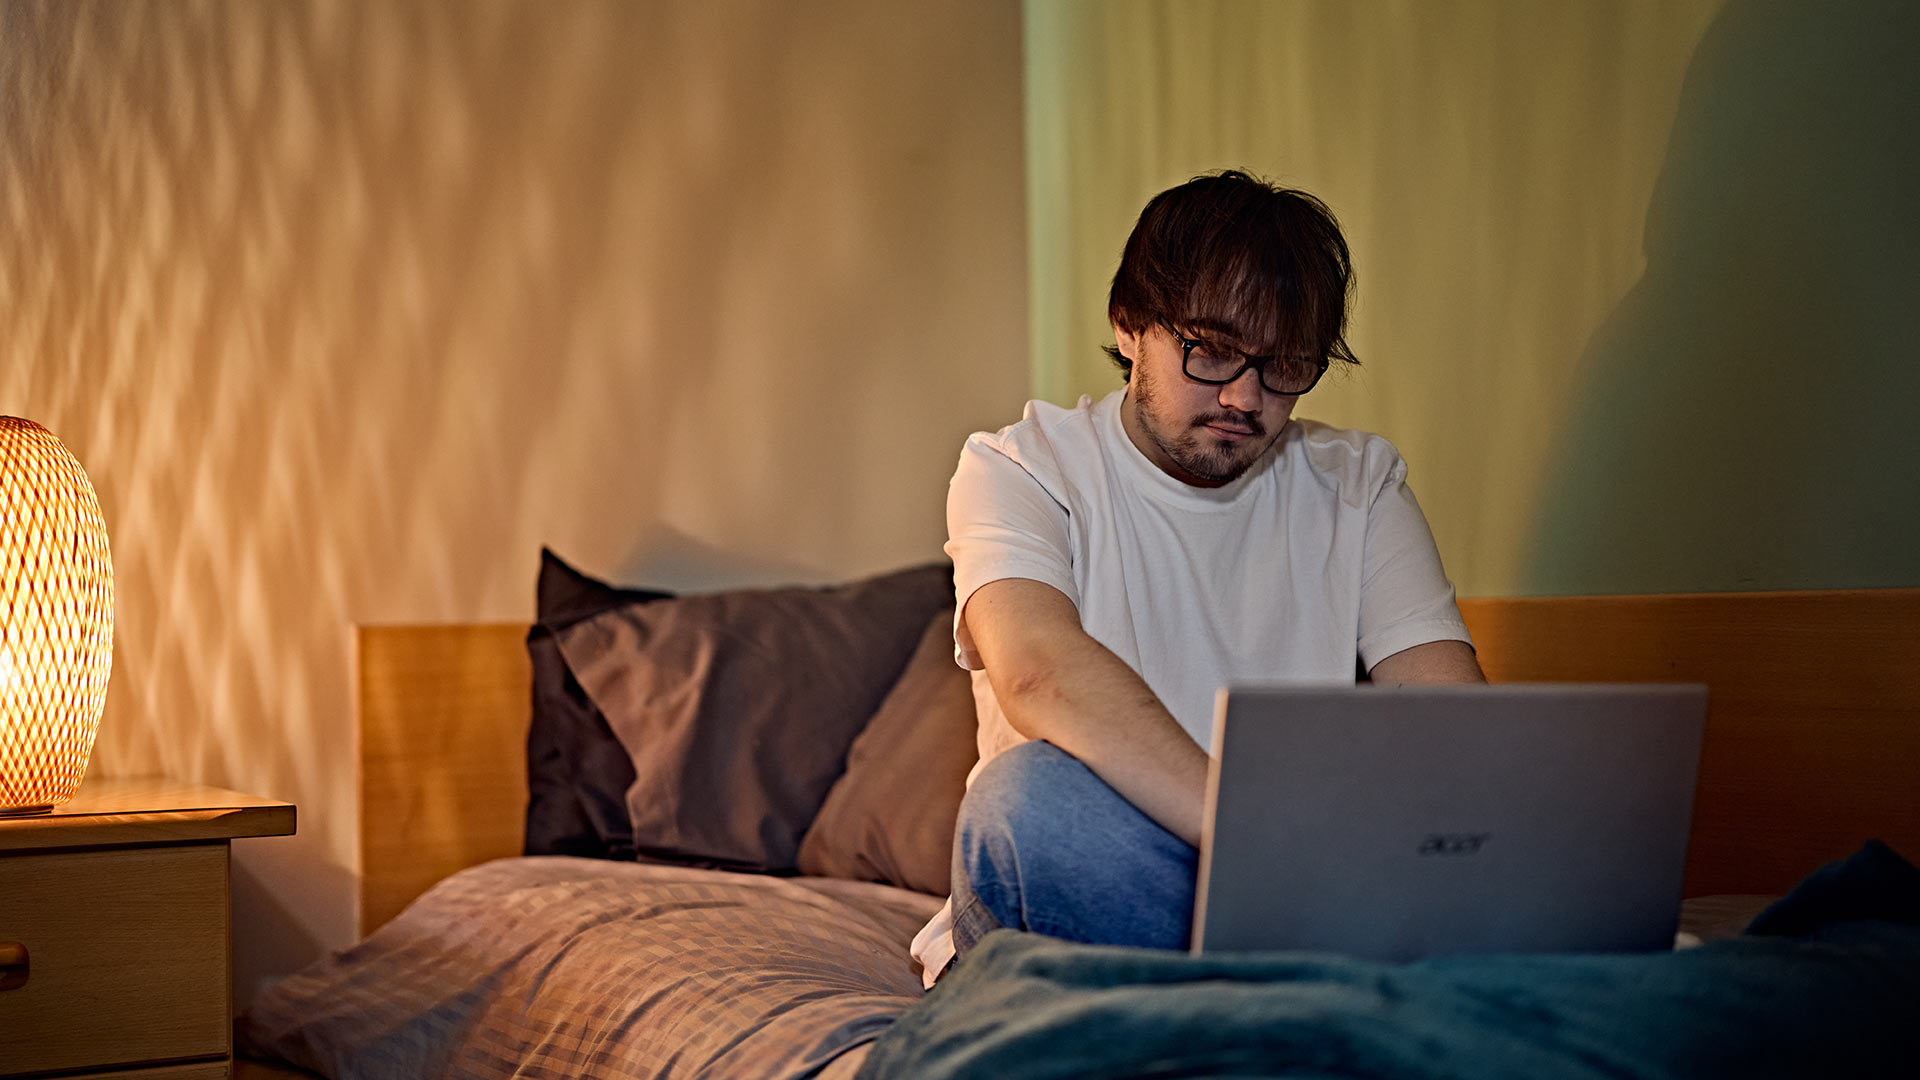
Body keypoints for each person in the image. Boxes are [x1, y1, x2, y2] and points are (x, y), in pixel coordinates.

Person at [908, 170, 1486, 987]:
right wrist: (1264, 837)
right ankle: (1308, 998)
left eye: (1285, 364)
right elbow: (1037, 671)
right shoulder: (1017, 467)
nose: (1244, 396)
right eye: (1210, 350)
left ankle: (1264, 1008)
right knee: (1031, 802)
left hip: (1287, 899)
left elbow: (1451, 724)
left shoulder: (1357, 485)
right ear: (1130, 324)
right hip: (1108, 883)